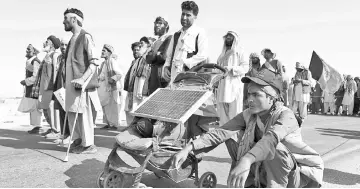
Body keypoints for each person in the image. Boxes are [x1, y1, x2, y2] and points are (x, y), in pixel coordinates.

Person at [173, 67, 323, 188]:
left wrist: (246, 160)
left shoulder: (286, 116)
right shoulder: (249, 114)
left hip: (291, 177)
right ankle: (249, 182)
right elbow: (220, 132)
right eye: (249, 94)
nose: (249, 99)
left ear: (271, 98)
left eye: (256, 95)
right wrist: (189, 148)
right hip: (261, 169)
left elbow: (270, 141)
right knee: (231, 135)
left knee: (276, 148)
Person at [63, 8, 102, 154]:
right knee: (73, 112)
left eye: (66, 18)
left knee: (84, 113)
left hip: (81, 84)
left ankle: (88, 145)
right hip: (70, 84)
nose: (63, 22)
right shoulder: (71, 39)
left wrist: (83, 79)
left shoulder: (86, 37)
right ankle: (78, 140)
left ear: (74, 19)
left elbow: (94, 61)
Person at [162, 1, 208, 85]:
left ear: (195, 17)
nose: (184, 17)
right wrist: (165, 67)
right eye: (183, 14)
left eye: (188, 15)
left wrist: (185, 63)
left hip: (191, 80)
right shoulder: (176, 35)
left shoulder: (199, 32)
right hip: (174, 79)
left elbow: (203, 55)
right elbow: (169, 56)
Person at [216, 31, 248, 126]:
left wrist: (231, 69)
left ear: (235, 39)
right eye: (227, 37)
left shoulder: (240, 51)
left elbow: (245, 67)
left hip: (234, 85)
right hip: (222, 86)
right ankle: (223, 133)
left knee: (235, 111)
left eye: (230, 37)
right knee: (222, 111)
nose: (228, 39)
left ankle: (235, 133)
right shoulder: (221, 55)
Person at [36, 35, 62, 138]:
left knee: (52, 108)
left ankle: (56, 131)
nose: (44, 43)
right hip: (44, 86)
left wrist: (55, 86)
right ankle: (52, 127)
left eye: (47, 42)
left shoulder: (55, 55)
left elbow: (56, 71)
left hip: (51, 86)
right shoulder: (47, 55)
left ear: (51, 44)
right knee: (46, 108)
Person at [98, 44, 123, 130]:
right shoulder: (104, 63)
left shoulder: (112, 61)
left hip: (112, 88)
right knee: (106, 106)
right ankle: (108, 123)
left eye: (104, 51)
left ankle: (114, 125)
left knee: (112, 107)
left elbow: (119, 74)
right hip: (105, 89)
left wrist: (111, 80)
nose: (102, 52)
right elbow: (102, 76)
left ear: (109, 53)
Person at [146, 16, 173, 95]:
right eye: (156, 23)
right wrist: (156, 53)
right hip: (153, 76)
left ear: (166, 26)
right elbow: (147, 59)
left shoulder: (169, 37)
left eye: (160, 23)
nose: (157, 25)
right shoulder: (156, 41)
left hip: (161, 77)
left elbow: (163, 57)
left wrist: (153, 54)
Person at [20, 44, 43, 134]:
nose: (27, 50)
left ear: (34, 51)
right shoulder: (30, 61)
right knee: (33, 107)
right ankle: (36, 126)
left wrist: (25, 81)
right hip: (30, 87)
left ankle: (38, 126)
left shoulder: (35, 61)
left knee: (35, 107)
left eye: (29, 49)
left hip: (34, 88)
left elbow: (35, 77)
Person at [52, 38, 71, 144]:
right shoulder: (60, 58)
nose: (63, 47)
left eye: (66, 45)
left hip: (67, 89)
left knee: (68, 113)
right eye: (62, 45)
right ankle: (64, 134)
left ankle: (70, 135)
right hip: (59, 88)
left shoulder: (71, 58)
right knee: (61, 113)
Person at [123, 42, 142, 125]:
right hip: (130, 90)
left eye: (138, 50)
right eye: (134, 50)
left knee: (134, 110)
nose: (136, 52)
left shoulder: (142, 62)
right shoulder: (133, 62)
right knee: (127, 109)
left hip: (137, 90)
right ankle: (129, 127)